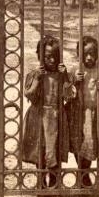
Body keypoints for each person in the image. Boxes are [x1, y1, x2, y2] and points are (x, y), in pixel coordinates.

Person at [21, 35, 76, 188]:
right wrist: (38, 79)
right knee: (41, 150)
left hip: (57, 117)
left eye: (56, 57)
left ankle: (54, 183)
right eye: (48, 57)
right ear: (40, 56)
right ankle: (41, 184)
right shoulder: (34, 74)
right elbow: (29, 95)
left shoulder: (62, 75)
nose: (52, 60)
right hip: (39, 117)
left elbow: (69, 96)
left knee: (56, 150)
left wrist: (65, 77)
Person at [66, 35, 99, 187]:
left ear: (97, 54)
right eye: (85, 54)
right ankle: (84, 175)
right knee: (77, 143)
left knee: (89, 144)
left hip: (95, 115)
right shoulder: (74, 70)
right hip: (76, 114)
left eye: (92, 54)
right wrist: (75, 82)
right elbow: (65, 94)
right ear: (78, 54)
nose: (89, 57)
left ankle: (84, 175)